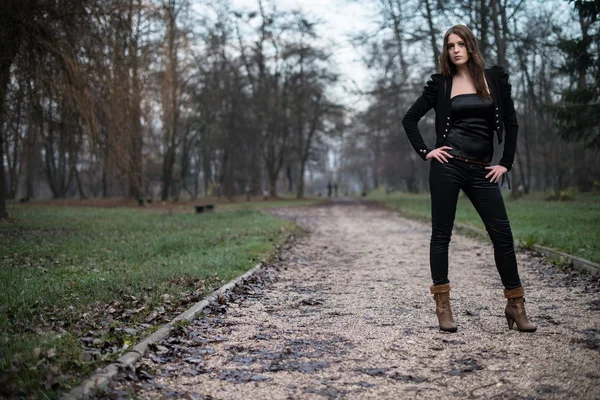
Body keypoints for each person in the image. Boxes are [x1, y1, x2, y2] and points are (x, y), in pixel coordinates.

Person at [402, 25, 536, 333]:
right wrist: (426, 152)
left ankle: (516, 305)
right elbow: (409, 118)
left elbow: (512, 124)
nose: (456, 50)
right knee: (442, 235)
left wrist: (505, 163)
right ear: (446, 51)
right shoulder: (441, 84)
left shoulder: (494, 80)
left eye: (461, 44)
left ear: (471, 46)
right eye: (450, 46)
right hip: (448, 166)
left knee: (502, 234)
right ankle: (443, 307)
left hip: (482, 169)